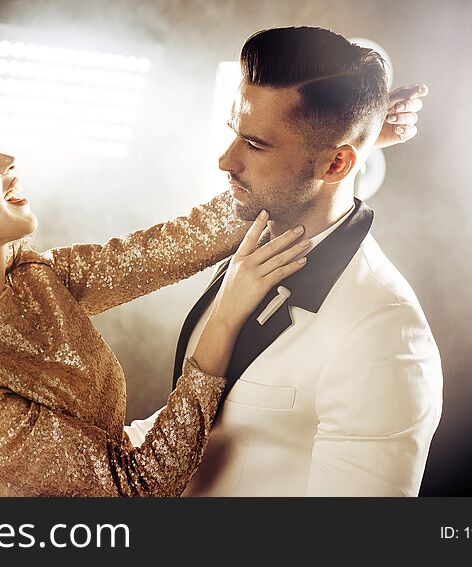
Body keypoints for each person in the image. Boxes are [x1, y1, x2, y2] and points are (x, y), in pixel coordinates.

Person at [0, 106, 314, 496]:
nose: (6, 161)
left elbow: (188, 237)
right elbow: (137, 489)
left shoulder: (36, 278)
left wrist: (312, 152)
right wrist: (227, 314)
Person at [126, 27, 443, 497]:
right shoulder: (254, 237)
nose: (224, 160)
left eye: (255, 144)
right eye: (234, 132)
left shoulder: (385, 332)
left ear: (336, 165)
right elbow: (193, 433)